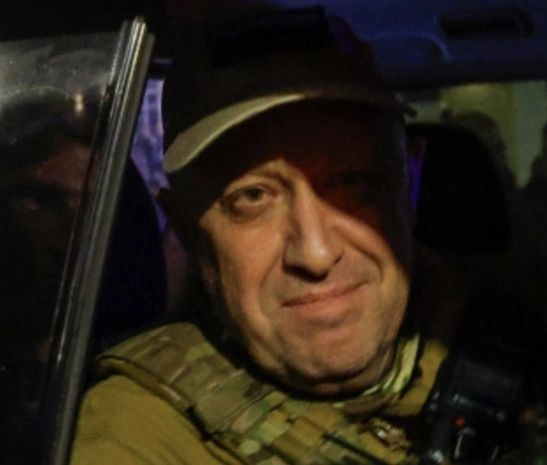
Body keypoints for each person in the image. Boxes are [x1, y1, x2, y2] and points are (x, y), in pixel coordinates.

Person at [71, 8, 534, 465]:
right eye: (253, 196)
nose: (316, 253)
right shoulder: (139, 433)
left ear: (409, 183)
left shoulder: (520, 343)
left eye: (352, 182)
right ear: (187, 229)